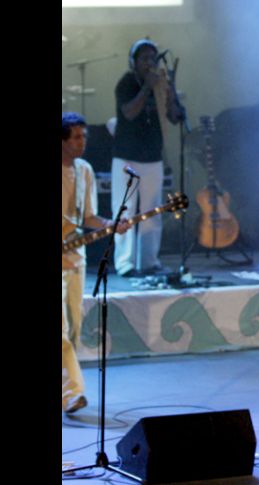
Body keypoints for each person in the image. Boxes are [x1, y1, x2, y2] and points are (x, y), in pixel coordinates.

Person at [62, 112, 128, 413]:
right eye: (76, 137)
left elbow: (88, 217)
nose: (83, 142)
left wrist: (109, 224)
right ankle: (71, 393)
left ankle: (65, 387)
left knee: (75, 327)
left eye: (84, 136)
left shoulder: (85, 170)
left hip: (76, 257)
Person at [111, 38, 184, 277]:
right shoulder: (126, 83)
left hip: (153, 156)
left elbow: (175, 117)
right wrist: (146, 88)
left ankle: (149, 261)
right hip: (127, 157)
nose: (149, 63)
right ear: (134, 63)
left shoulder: (160, 84)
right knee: (125, 211)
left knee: (152, 210)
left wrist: (170, 90)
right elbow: (129, 113)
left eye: (153, 58)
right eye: (144, 59)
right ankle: (125, 263)